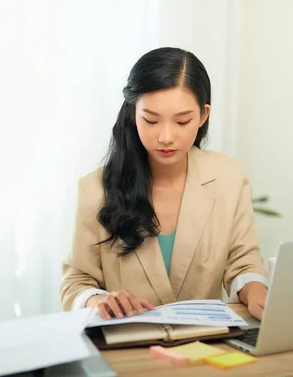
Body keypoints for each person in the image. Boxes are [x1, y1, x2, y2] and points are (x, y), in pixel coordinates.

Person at [60, 47, 269, 321]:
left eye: (182, 121)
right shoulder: (95, 189)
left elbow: (243, 263)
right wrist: (97, 300)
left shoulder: (228, 177)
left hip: (206, 344)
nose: (166, 137)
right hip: (127, 347)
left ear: (204, 115)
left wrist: (255, 289)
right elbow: (76, 282)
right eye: (151, 120)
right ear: (133, 113)